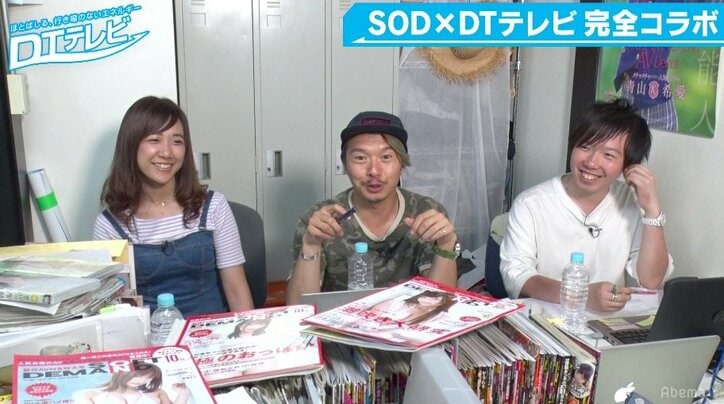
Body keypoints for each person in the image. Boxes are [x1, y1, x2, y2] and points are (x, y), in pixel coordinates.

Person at [500, 98, 673, 312]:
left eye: (608, 155)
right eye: (585, 147)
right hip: (544, 320)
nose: (591, 162)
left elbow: (651, 281)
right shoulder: (530, 204)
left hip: (605, 323)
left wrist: (652, 211)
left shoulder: (632, 203)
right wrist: (577, 294)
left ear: (628, 165)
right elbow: (517, 277)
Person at [93, 96, 253, 316]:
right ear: (131, 145)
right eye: (154, 140)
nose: (167, 152)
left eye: (177, 141)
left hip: (213, 330)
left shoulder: (213, 206)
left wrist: (249, 332)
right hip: (150, 334)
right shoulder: (109, 225)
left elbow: (237, 290)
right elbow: (116, 309)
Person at [286, 111, 459, 304]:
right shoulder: (321, 220)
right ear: (344, 164)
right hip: (340, 320)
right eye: (360, 158)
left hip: (410, 320)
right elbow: (297, 308)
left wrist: (446, 245)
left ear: (402, 164)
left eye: (386, 157)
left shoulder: (426, 212)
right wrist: (311, 244)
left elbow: (441, 300)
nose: (374, 171)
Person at [72, 363, 190, 404]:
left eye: (149, 378)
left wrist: (183, 393)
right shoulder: (88, 394)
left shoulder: (157, 392)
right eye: (137, 375)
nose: (141, 381)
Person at [366, 290, 456, 326]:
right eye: (425, 297)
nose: (428, 300)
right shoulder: (397, 303)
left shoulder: (441, 316)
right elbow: (368, 317)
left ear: (442, 302)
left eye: (435, 299)